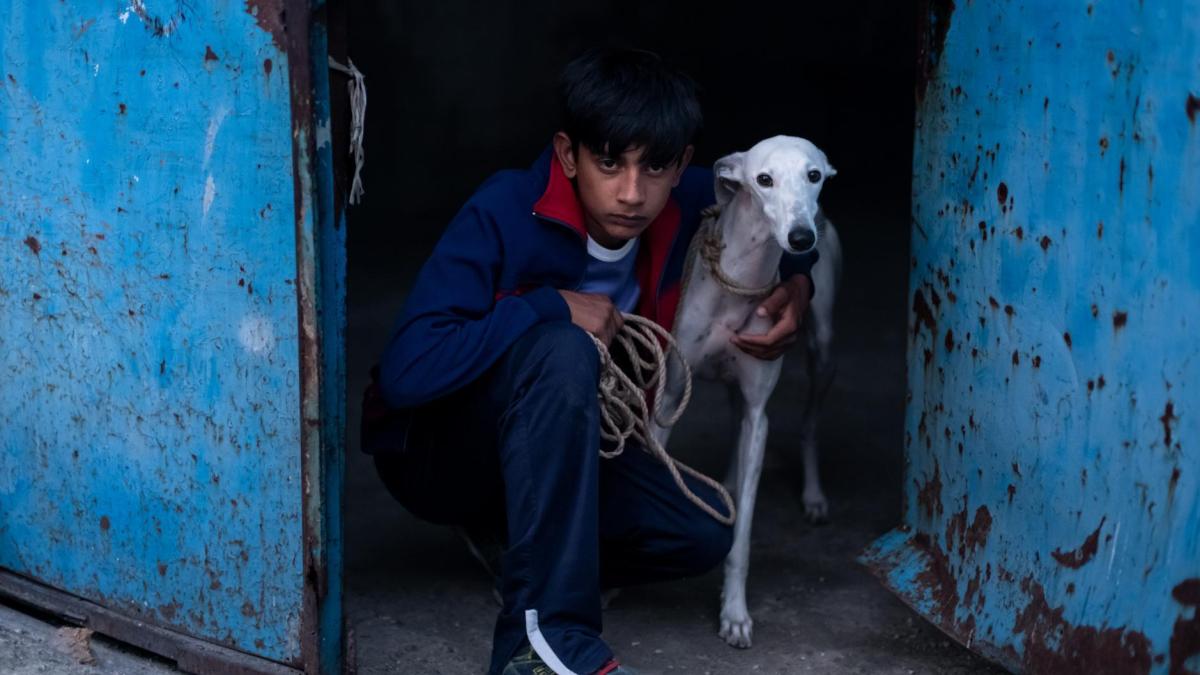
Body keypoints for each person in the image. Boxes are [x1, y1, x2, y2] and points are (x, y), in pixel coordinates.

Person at [361, 46, 817, 675]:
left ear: (684, 164)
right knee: (562, 347)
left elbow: (776, 200)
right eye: (608, 163)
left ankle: (509, 535)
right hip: (436, 454)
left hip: (559, 446)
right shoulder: (504, 209)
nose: (632, 192)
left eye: (654, 167)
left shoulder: (689, 197)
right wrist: (548, 307)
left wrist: (797, 282)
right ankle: (543, 645)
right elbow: (406, 372)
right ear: (567, 155)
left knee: (697, 531)